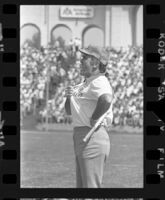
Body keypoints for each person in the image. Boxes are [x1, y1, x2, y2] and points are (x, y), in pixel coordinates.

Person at [65, 45, 114, 188]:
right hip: (82, 136)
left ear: (95, 63)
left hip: (92, 136)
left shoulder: (99, 80)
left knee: (90, 188)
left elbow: (106, 99)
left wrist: (94, 118)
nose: (80, 60)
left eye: (85, 58)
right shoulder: (84, 84)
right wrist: (68, 97)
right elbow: (68, 111)